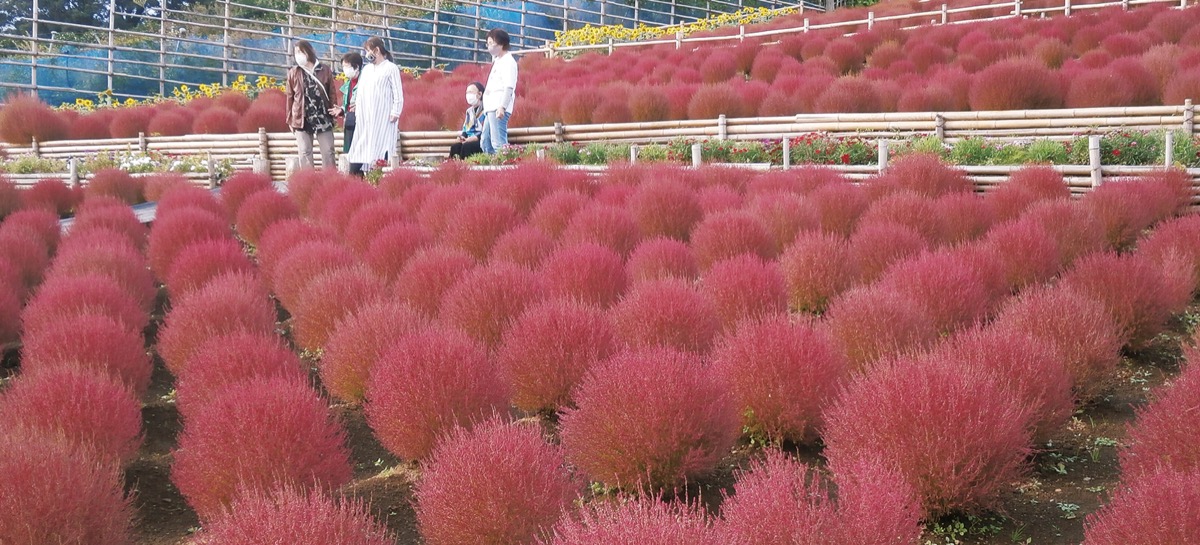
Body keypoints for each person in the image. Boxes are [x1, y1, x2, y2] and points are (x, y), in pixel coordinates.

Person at [346, 36, 403, 177]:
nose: (367, 54)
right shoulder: (366, 70)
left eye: (369, 50)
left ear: (377, 50)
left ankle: (376, 181)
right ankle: (356, 185)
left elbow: (397, 92)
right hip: (365, 119)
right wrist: (358, 109)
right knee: (358, 153)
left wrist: (395, 111)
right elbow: (360, 92)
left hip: (383, 118)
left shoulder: (391, 68)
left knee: (380, 152)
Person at [286, 40, 339, 169]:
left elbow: (331, 93)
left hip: (322, 116)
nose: (298, 55)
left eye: (300, 52)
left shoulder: (324, 70)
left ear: (308, 52)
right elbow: (289, 97)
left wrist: (334, 112)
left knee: (328, 151)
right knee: (305, 152)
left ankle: (330, 181)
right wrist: (289, 119)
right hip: (301, 117)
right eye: (296, 52)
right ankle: (309, 182)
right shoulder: (294, 72)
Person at [480, 28, 517, 155]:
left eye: (492, 43)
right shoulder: (497, 61)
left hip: (498, 107)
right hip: (490, 108)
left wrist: (502, 107)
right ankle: (492, 167)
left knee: (498, 143)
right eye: (488, 43)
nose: (489, 46)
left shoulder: (508, 62)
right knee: (485, 141)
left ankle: (505, 165)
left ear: (501, 43)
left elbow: (509, 87)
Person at [330, 52, 362, 155]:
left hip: (362, 122)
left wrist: (360, 106)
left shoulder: (365, 82)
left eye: (347, 66)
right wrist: (341, 110)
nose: (345, 69)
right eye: (343, 67)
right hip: (350, 121)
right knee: (349, 152)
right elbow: (346, 103)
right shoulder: (348, 83)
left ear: (356, 66)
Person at [449, 82, 485, 160]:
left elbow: (486, 130)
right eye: (467, 93)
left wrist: (474, 138)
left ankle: (467, 167)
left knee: (467, 146)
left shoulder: (486, 110)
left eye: (471, 92)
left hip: (481, 139)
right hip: (469, 139)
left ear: (479, 94)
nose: (468, 95)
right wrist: (463, 137)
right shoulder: (469, 112)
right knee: (455, 146)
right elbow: (466, 128)